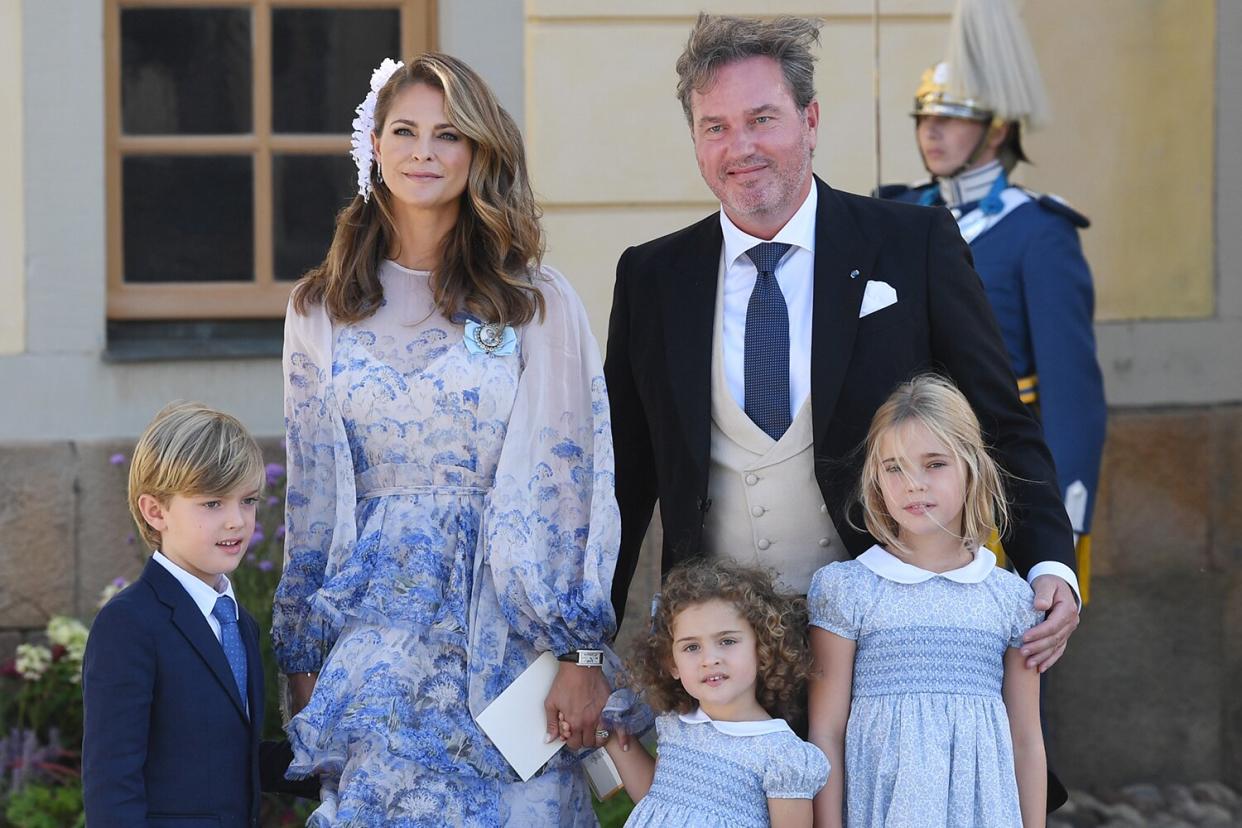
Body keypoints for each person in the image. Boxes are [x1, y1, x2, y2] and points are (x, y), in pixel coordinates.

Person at [604, 13, 1080, 671]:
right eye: (716, 127)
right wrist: (583, 645)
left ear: (811, 121)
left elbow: (1001, 423)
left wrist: (1050, 559)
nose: (740, 146)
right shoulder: (652, 277)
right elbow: (624, 478)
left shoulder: (914, 245)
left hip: (889, 639)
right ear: (695, 139)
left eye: (762, 118)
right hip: (719, 660)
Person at [271, 54, 620, 825]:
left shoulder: (535, 299)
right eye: (405, 131)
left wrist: (579, 654)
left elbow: (574, 482)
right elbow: (313, 494)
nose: (424, 152)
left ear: (479, 153)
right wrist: (303, 656)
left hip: (509, 638)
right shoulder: (318, 307)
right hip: (375, 644)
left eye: (448, 133)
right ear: (374, 148)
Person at [878, 0, 1106, 600]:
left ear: (997, 129)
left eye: (951, 119)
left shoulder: (1038, 230)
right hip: (901, 484)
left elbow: (1070, 390)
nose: (931, 131)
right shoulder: (897, 214)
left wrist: (1064, 516)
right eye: (924, 118)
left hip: (997, 476)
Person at [807, 374, 1045, 827]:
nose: (913, 484)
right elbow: (826, 731)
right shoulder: (848, 589)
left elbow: (1026, 739)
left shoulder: (1011, 599)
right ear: (875, 479)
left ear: (971, 467)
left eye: (934, 463)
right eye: (894, 467)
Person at [82, 401, 316, 827]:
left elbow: (229, 757)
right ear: (156, 511)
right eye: (212, 504)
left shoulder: (239, 622)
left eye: (247, 501)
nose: (237, 522)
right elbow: (112, 784)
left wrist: (342, 763)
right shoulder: (129, 623)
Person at [596, 559, 828, 827]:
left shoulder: (781, 754)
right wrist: (612, 738)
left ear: (763, 649)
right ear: (672, 664)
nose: (710, 659)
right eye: (691, 647)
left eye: (727, 641)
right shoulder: (677, 727)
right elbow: (656, 800)